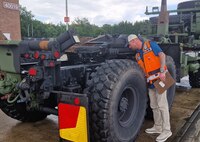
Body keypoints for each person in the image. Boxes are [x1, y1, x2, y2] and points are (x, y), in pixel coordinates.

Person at [128, 34, 172, 142]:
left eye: (129, 44)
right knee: (154, 106)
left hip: (160, 79)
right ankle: (158, 126)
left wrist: (162, 71)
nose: (129, 47)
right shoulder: (138, 55)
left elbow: (162, 55)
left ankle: (167, 130)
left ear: (134, 41)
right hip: (151, 83)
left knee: (162, 105)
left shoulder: (151, 45)